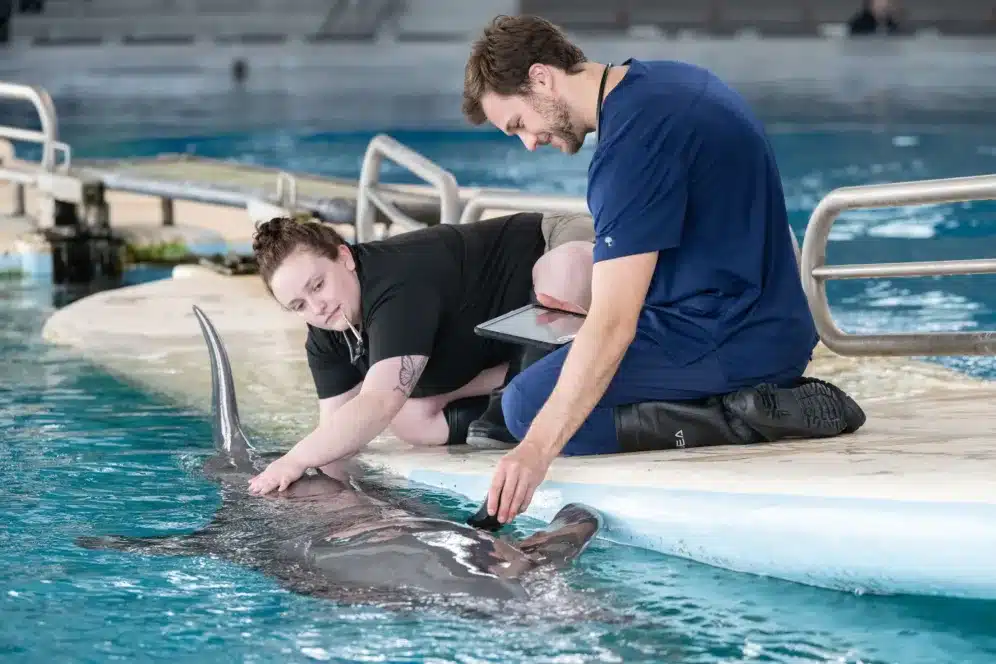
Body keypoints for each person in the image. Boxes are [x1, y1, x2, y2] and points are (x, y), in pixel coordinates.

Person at [460, 15, 866, 524]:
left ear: (541, 78)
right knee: (544, 378)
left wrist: (535, 451)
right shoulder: (668, 81)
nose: (529, 141)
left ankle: (739, 417)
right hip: (763, 315)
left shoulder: (632, 146)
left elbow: (613, 327)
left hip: (731, 336)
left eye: (519, 123)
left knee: (525, 409)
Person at [244, 211, 595, 496]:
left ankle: (524, 397)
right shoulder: (327, 330)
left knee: (564, 271)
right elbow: (337, 433)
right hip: (505, 341)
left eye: (317, 285)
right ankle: (511, 398)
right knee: (411, 421)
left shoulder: (394, 283)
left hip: (555, 246)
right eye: (298, 305)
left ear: (345, 257)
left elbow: (378, 403)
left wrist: (292, 459)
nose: (316, 307)